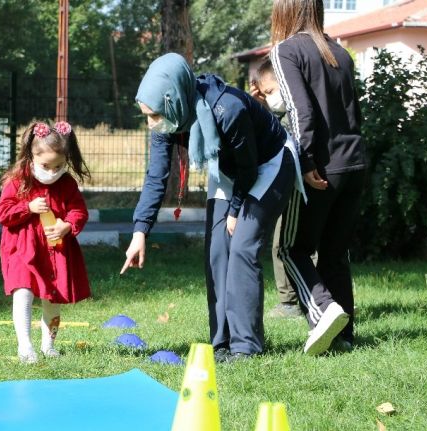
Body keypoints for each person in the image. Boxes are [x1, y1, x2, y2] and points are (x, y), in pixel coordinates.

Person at [120, 53, 305, 361]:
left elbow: (249, 168)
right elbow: (156, 177)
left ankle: (246, 348)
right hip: (228, 169)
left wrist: (234, 211)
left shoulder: (227, 109)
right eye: (147, 116)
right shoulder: (169, 116)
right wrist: (140, 232)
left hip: (269, 164)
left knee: (243, 247)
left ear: (173, 97)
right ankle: (222, 345)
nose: (152, 123)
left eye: (154, 115)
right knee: (217, 252)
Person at [270, 0, 367, 354]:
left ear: (285, 11)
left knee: (290, 249)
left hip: (321, 168)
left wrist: (306, 161)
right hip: (355, 164)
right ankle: (344, 336)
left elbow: (300, 110)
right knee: (334, 254)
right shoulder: (340, 53)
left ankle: (324, 312)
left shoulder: (285, 50)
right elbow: (353, 112)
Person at [0, 121, 92, 364]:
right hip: (23, 249)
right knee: (23, 293)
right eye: (45, 165)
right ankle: (25, 346)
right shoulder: (18, 180)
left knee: (52, 299)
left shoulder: (67, 183)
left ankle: (48, 345)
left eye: (58, 166)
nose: (52, 172)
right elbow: (3, 213)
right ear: (31, 156)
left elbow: (79, 211)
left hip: (55, 251)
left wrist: (67, 225)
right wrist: (27, 207)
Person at [251, 59, 318, 319]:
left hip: (300, 181)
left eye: (270, 91)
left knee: (286, 242)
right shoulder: (282, 111)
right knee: (287, 242)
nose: (270, 97)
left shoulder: (298, 109)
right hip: (292, 180)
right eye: (265, 94)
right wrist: (261, 105)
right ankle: (293, 299)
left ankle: (293, 301)